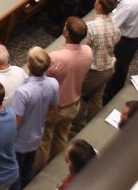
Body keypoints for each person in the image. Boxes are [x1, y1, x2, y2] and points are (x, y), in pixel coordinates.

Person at [35, 17, 92, 170]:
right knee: (61, 138)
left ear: (66, 32)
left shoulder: (56, 58)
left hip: (55, 108)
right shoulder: (87, 51)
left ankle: (38, 174)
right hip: (73, 103)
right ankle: (53, 168)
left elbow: (40, 78)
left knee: (44, 141)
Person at [11, 47, 58, 188]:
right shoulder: (53, 83)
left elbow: (16, 122)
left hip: (20, 141)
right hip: (37, 135)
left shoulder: (23, 92)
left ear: (28, 64)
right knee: (28, 169)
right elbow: (53, 109)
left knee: (16, 175)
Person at [74, 0, 120, 131]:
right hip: (108, 67)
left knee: (77, 96)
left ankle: (74, 127)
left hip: (93, 71)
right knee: (96, 99)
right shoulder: (115, 26)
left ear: (99, 6)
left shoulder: (91, 27)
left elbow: (81, 50)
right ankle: (90, 128)